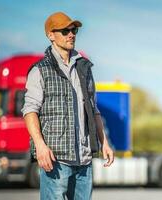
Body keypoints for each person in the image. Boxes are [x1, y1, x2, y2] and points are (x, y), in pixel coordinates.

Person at [22, 12, 114, 200]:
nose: (71, 34)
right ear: (51, 35)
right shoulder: (40, 70)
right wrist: (40, 146)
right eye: (65, 31)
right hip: (57, 159)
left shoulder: (85, 69)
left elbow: (94, 110)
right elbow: (30, 110)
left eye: (74, 30)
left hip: (84, 159)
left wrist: (104, 142)